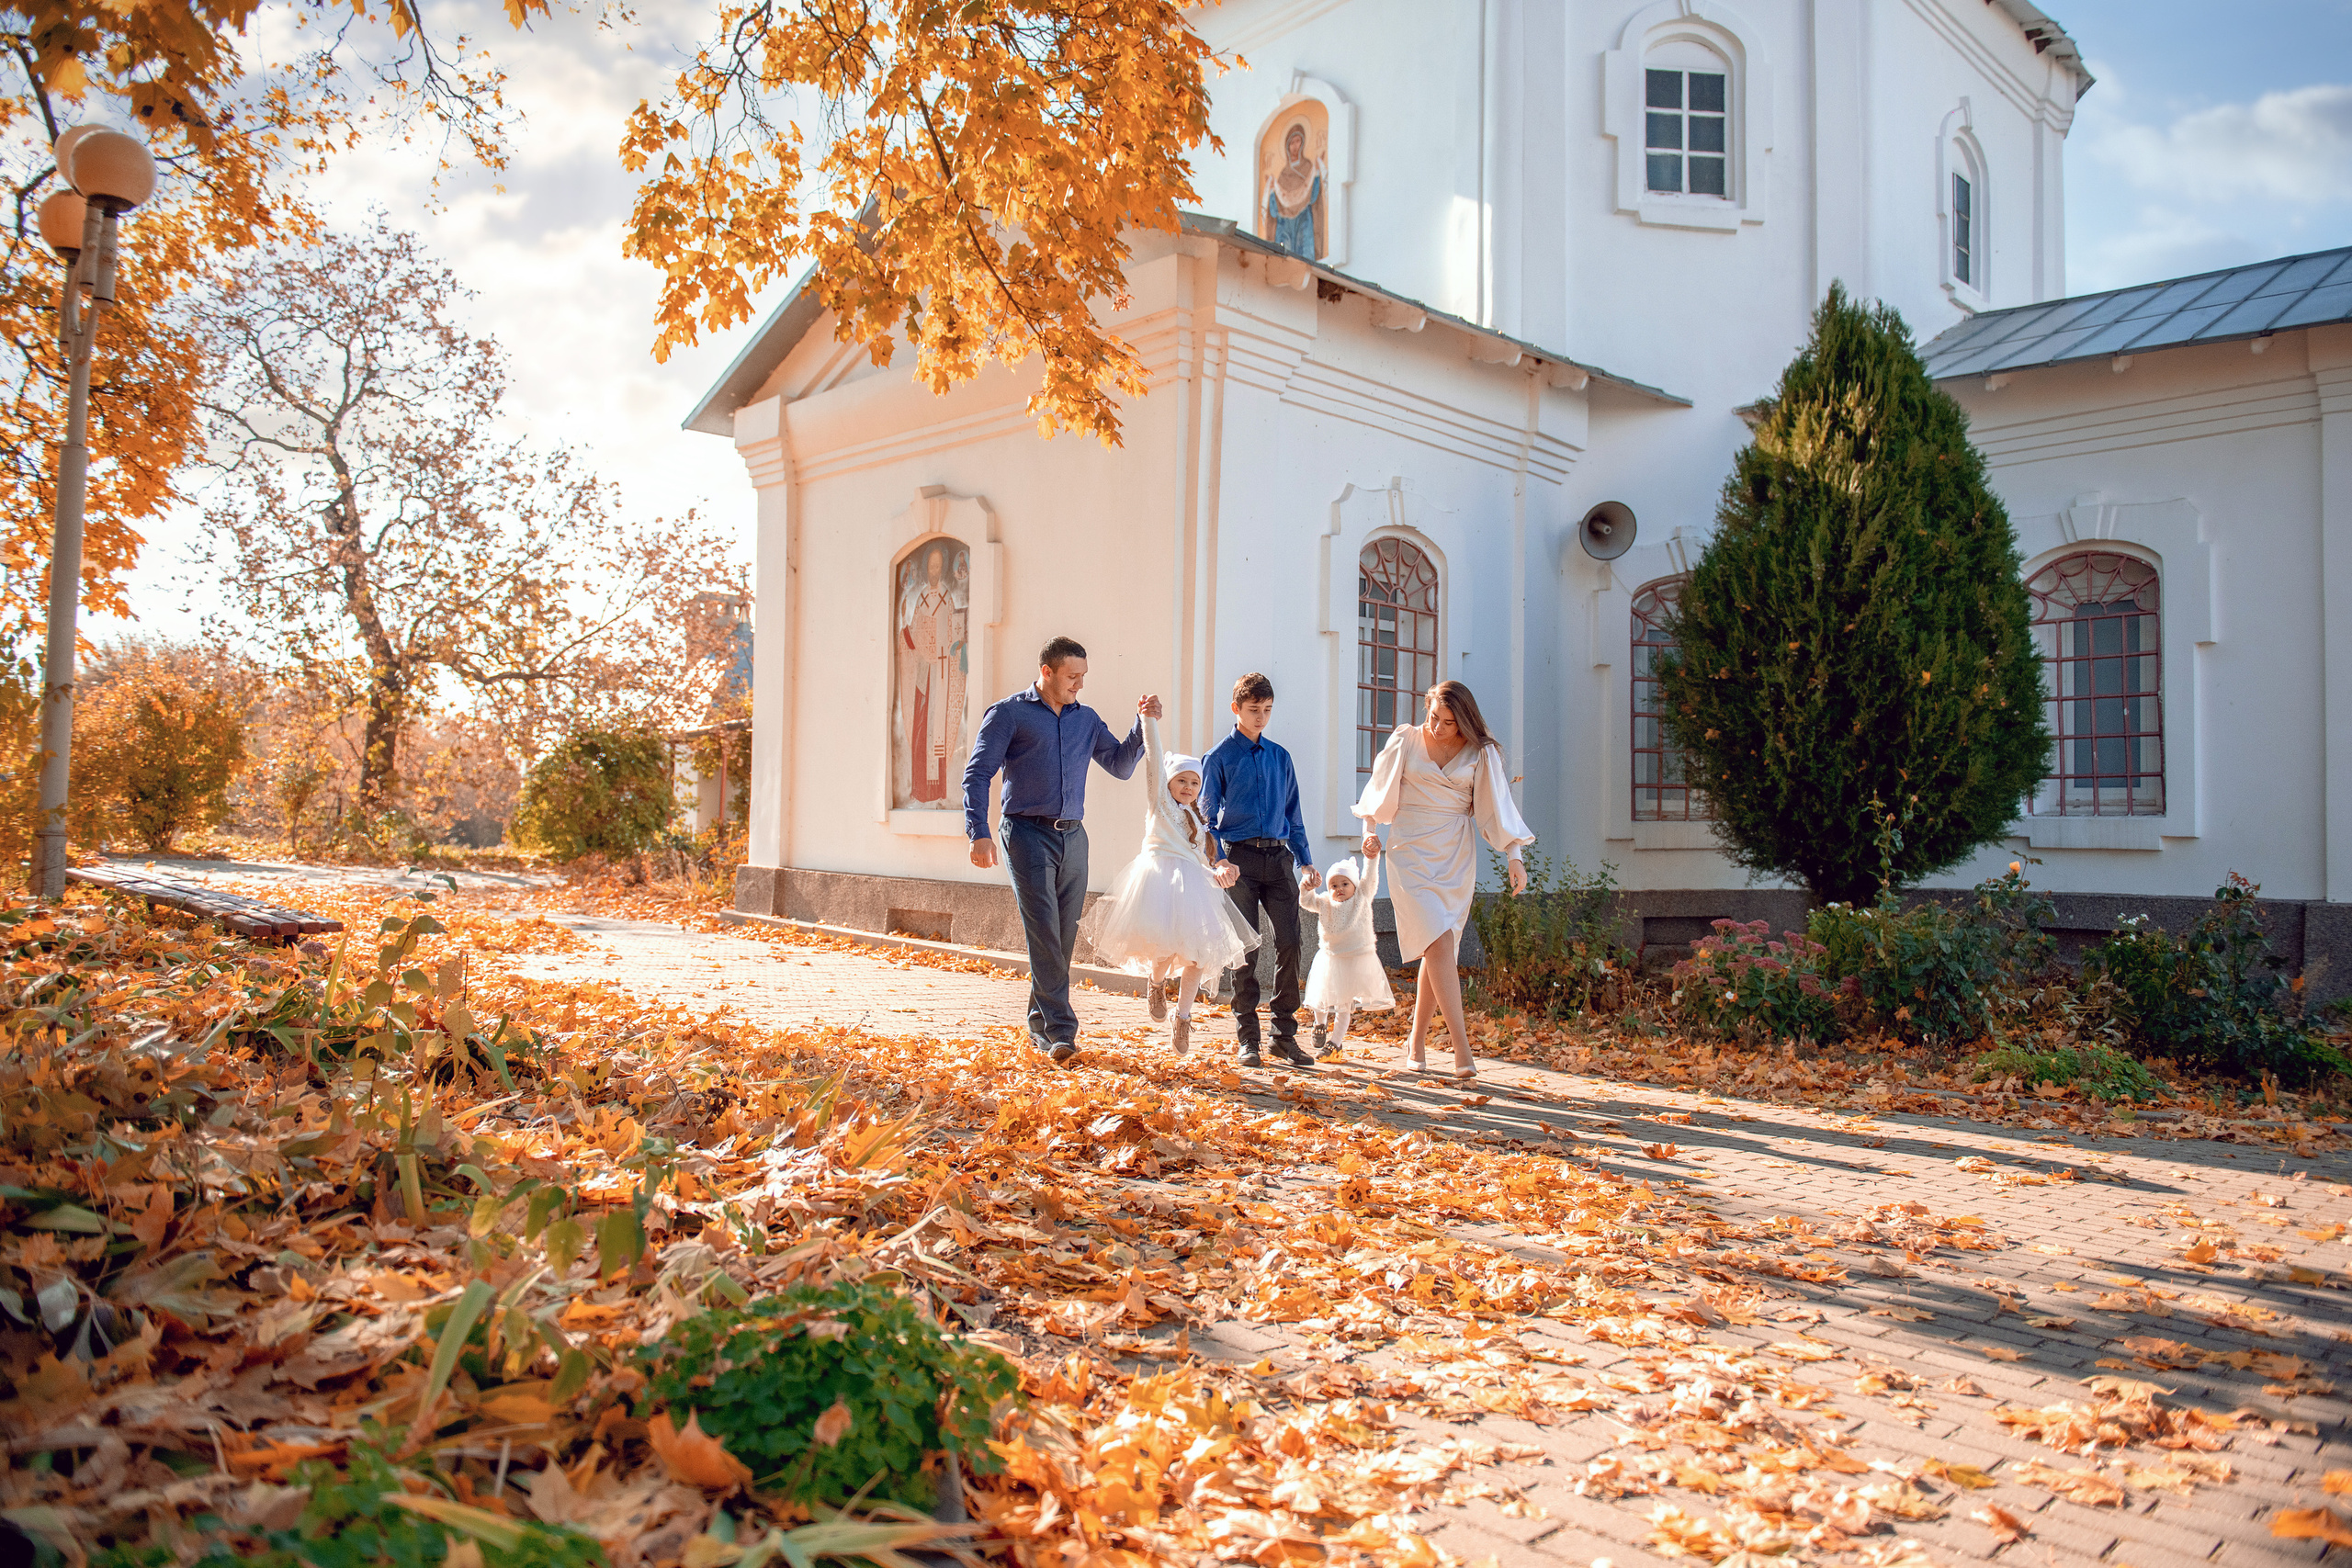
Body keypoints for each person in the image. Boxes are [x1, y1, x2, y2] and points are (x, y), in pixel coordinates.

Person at [964, 637, 1152, 1063]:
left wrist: (1142, 725)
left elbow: (1120, 766)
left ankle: (1039, 1022)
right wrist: (978, 832)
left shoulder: (1086, 720)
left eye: (1083, 677)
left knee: (1063, 935)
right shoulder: (1009, 714)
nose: (1079, 685)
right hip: (1026, 833)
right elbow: (978, 774)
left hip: (1074, 837)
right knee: (1045, 929)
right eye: (1072, 677)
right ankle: (1062, 1031)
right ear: (1047, 672)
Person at [1355, 680, 1532, 1078]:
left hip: (1454, 853)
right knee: (1436, 939)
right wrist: (1369, 832)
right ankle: (1461, 1051)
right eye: (1433, 717)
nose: (1437, 727)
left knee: (1442, 949)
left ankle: (1416, 1041)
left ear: (1464, 721)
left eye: (1448, 722)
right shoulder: (1406, 739)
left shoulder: (1481, 753)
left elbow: (1496, 808)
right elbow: (1376, 792)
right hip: (1409, 851)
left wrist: (1514, 857)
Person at [1078, 716, 1257, 1056]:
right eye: (1181, 780)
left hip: (1194, 889)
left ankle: (1183, 1017)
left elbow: (1206, 861)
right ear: (1168, 783)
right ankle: (1156, 983)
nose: (1188, 787)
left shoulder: (1199, 824)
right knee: (1164, 947)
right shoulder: (1159, 806)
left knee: (1198, 956)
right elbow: (1154, 761)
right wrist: (1148, 721)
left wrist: (1220, 872)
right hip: (1159, 883)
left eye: (1194, 782)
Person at [1200, 672, 1322, 1070]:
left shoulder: (1280, 757)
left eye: (1267, 711)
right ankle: (1247, 1038)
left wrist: (1305, 860)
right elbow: (1205, 817)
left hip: (1278, 859)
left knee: (1290, 941)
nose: (1261, 718)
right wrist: (1218, 859)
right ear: (1236, 709)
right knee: (1246, 948)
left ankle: (1284, 1036)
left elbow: (1294, 814)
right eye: (1254, 711)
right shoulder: (1218, 757)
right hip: (1240, 861)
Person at [1301, 846, 1393, 1059]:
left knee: (1344, 1005)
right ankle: (1320, 1023)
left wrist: (1372, 857)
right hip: (1330, 957)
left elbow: (1370, 877)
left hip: (1355, 960)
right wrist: (1306, 886)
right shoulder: (1324, 901)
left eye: (1345, 884)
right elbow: (1306, 902)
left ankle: (1336, 1043)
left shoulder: (1362, 896)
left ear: (1355, 885)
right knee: (1321, 996)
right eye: (1334, 885)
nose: (1339, 889)